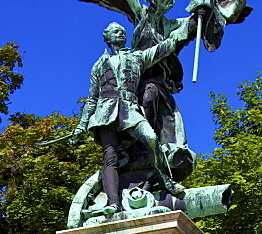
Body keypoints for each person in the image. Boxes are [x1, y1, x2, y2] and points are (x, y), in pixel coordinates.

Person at [71, 19, 193, 216]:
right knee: (110, 158)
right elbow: (92, 98)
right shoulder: (98, 65)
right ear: (107, 37)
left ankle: (165, 178)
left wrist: (187, 27)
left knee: (151, 139)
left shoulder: (138, 58)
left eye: (122, 31)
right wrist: (81, 125)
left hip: (129, 109)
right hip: (105, 113)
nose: (120, 34)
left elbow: (167, 46)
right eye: (115, 32)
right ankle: (113, 203)